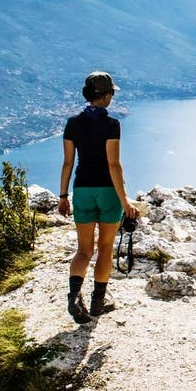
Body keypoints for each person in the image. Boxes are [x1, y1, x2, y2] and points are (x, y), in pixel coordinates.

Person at [58, 71, 138, 323]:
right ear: (104, 96)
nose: (112, 97)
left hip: (81, 191)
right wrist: (124, 200)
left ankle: (73, 297)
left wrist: (63, 196)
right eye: (111, 93)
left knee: (83, 250)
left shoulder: (72, 123)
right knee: (104, 248)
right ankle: (97, 303)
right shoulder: (111, 124)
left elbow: (68, 162)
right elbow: (113, 164)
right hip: (107, 192)